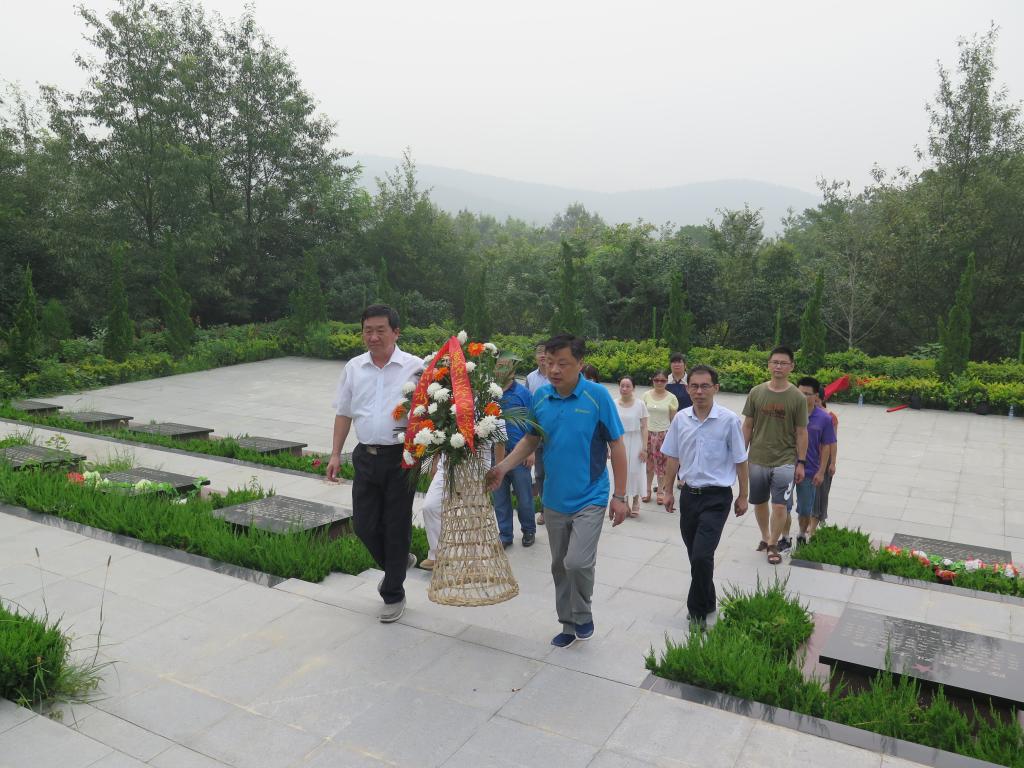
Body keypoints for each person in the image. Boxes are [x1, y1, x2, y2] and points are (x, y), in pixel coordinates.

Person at [486, 334, 629, 649]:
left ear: (580, 363)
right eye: (550, 363)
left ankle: (583, 613)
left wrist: (620, 496)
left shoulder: (597, 396)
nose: (554, 370)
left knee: (577, 562)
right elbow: (531, 439)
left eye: (563, 363)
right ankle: (568, 623)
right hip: (553, 498)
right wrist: (503, 467)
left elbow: (617, 445)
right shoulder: (541, 397)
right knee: (559, 564)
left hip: (590, 495)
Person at [328, 304, 423, 623]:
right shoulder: (354, 367)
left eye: (380, 330)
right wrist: (335, 454)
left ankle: (393, 593)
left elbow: (430, 411)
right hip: (365, 456)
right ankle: (398, 562)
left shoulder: (416, 367)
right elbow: (344, 412)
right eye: (367, 330)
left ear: (396, 332)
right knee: (363, 525)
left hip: (402, 459)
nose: (373, 336)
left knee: (396, 526)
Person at [661, 365, 749, 627]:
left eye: (705, 386)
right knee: (696, 556)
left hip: (717, 498)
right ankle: (708, 599)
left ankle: (697, 612)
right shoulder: (681, 419)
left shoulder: (729, 420)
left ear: (716, 388)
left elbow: (740, 459)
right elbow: (672, 457)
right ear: (687, 389)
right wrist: (667, 491)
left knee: (701, 555)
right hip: (689, 496)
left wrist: (743, 495)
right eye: (694, 386)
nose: (699, 391)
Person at [741, 346, 808, 565]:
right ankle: (765, 536)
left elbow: (801, 432)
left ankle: (773, 544)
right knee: (759, 501)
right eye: (775, 362)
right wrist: (740, 454)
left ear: (791, 367)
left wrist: (801, 462)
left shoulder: (797, 397)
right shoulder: (756, 392)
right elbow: (748, 425)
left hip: (785, 460)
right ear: (769, 364)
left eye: (783, 363)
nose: (778, 366)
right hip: (758, 458)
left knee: (780, 505)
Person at [491, 354, 537, 548]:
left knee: (524, 497)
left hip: (519, 454)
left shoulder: (523, 393)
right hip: (496, 454)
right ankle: (505, 535)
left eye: (505, 366)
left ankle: (528, 530)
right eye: (498, 366)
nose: (500, 370)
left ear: (512, 370)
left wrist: (531, 452)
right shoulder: (490, 393)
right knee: (500, 498)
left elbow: (533, 423)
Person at [794, 376, 837, 545]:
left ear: (816, 396)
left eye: (807, 394)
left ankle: (801, 534)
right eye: (800, 393)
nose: (803, 397)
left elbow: (827, 445)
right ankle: (783, 537)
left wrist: (822, 471)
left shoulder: (825, 418)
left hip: (810, 469)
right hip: (786, 465)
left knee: (805, 509)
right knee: (782, 505)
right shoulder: (789, 412)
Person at [642, 370, 678, 506]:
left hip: (663, 434)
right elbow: (642, 417)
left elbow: (674, 420)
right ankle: (647, 489)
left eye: (662, 380)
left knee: (662, 465)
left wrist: (674, 437)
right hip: (647, 433)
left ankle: (661, 491)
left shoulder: (671, 397)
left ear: (667, 382)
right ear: (652, 380)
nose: (659, 383)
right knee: (648, 463)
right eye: (656, 380)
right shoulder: (646, 395)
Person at [614, 376, 649, 517]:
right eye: (622, 386)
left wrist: (645, 448)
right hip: (619, 440)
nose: (624, 389)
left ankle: (635, 500)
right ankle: (624, 501)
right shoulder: (613, 403)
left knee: (635, 471)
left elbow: (644, 427)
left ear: (633, 388)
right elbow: (610, 426)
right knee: (622, 471)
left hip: (636, 440)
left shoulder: (640, 404)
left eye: (628, 386)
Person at [526, 342, 550, 524]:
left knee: (556, 473)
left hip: (553, 432)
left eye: (545, 352)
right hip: (536, 433)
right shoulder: (530, 378)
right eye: (539, 352)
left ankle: (557, 509)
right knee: (540, 474)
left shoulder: (556, 376)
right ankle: (544, 510)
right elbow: (527, 405)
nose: (542, 355)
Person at [810, 385, 839, 534]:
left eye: (816, 400)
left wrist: (832, 463)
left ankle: (814, 525)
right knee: (809, 494)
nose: (813, 403)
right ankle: (810, 522)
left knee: (820, 494)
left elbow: (832, 442)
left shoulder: (830, 417)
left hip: (823, 461)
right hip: (809, 458)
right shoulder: (806, 414)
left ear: (821, 399)